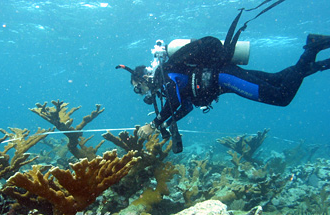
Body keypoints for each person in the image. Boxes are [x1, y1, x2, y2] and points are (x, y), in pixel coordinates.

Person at [116, 33, 330, 153]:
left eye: (138, 87)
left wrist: (154, 123)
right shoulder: (168, 77)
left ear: (143, 77)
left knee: (281, 97)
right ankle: (322, 60)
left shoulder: (166, 74)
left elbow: (174, 98)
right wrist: (165, 122)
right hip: (224, 77)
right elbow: (186, 105)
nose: (141, 92)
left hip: (224, 78)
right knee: (276, 79)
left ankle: (311, 48)